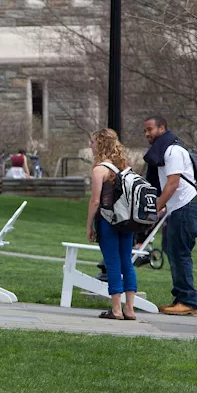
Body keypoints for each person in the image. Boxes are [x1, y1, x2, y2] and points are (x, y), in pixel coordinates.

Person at [143, 115, 197, 316]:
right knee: (172, 250)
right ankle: (181, 298)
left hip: (187, 206)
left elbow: (173, 184)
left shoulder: (173, 150)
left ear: (162, 128)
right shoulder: (164, 150)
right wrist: (163, 209)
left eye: (150, 129)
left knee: (179, 252)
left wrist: (156, 207)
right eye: (145, 131)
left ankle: (188, 301)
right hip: (179, 207)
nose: (147, 134)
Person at [86, 129, 138, 321]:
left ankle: (116, 309)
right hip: (127, 222)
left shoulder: (100, 169)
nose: (90, 145)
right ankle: (130, 309)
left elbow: (95, 201)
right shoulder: (126, 166)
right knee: (127, 263)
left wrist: (89, 226)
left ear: (100, 144)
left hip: (108, 221)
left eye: (93, 142)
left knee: (112, 263)